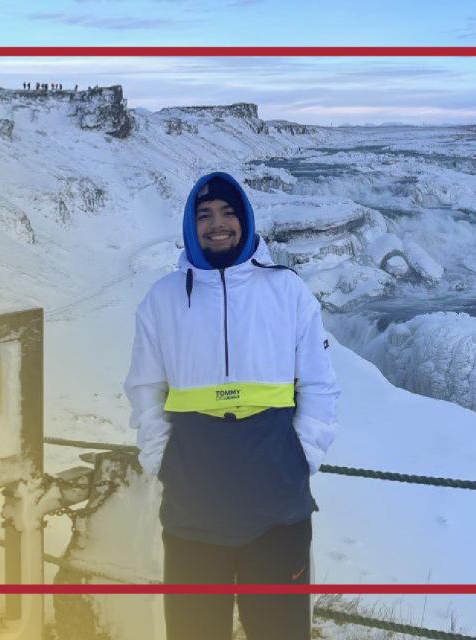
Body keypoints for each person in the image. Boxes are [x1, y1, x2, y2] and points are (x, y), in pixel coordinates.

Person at [124, 172, 340, 640]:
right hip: (192, 511)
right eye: (205, 215)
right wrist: (161, 462)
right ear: (190, 225)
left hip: (278, 509)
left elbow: (321, 386)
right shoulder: (162, 299)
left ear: (244, 220)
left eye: (227, 213)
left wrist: (302, 459)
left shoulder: (288, 291)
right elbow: (145, 390)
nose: (216, 225)